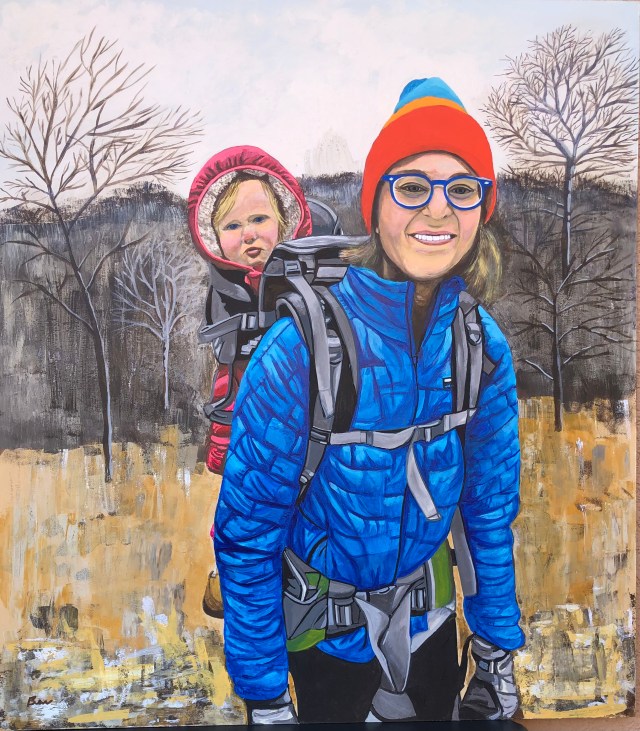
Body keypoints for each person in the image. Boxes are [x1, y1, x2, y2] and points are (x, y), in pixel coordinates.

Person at [214, 78, 525, 723]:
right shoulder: (298, 348)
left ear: (482, 209)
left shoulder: (478, 343)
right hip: (323, 637)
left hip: (431, 624)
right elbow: (247, 536)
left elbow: (489, 512)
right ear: (375, 206)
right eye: (411, 187)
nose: (438, 211)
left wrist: (495, 652)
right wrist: (266, 698)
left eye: (462, 189)